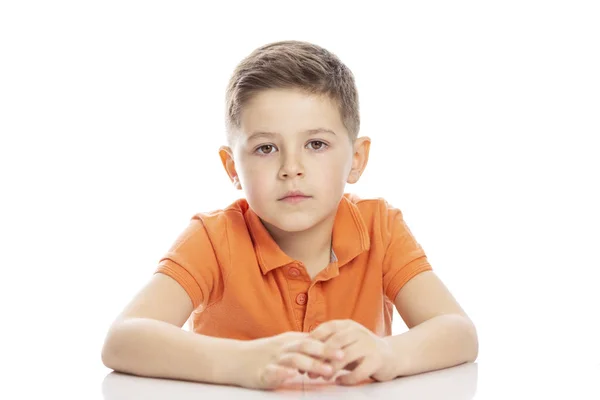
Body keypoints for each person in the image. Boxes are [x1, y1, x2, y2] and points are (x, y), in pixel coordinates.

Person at [101, 40, 478, 390]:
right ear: (232, 167)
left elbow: (459, 332)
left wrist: (388, 353)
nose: (291, 168)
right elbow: (123, 339)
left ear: (356, 159)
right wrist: (245, 362)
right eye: (266, 148)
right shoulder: (214, 239)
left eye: (316, 144)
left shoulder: (380, 227)